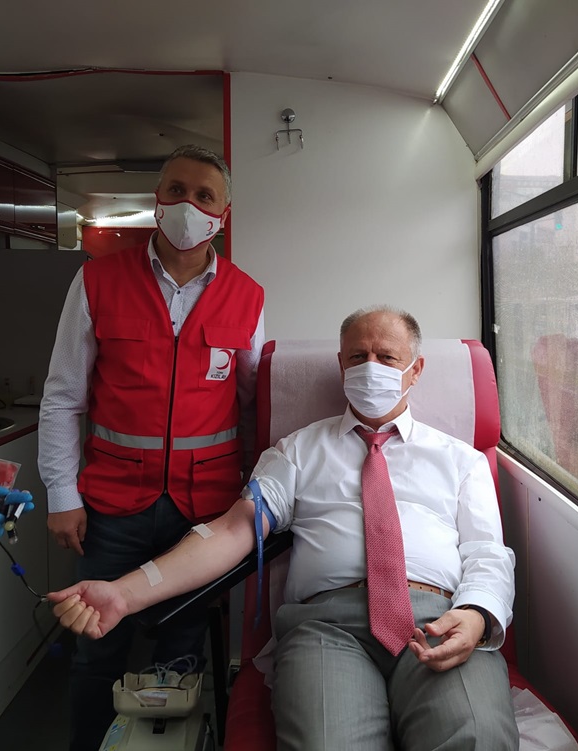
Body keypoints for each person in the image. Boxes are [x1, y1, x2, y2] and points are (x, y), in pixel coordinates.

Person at [49, 306, 518, 751]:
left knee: (476, 738)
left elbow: (487, 552)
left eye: (387, 357)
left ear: (415, 370)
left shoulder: (462, 461)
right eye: (358, 356)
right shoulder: (296, 451)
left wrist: (477, 615)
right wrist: (124, 594)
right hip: (326, 628)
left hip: (441, 619)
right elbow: (232, 532)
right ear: (341, 365)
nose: (370, 368)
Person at [38, 144, 265, 750]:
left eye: (204, 195)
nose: (189, 204)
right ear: (157, 199)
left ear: (223, 214)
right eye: (176, 190)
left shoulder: (248, 295)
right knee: (96, 651)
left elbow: (248, 406)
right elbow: (63, 397)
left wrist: (249, 497)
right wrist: (61, 494)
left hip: (205, 512)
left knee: (180, 656)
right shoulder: (97, 280)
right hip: (112, 506)